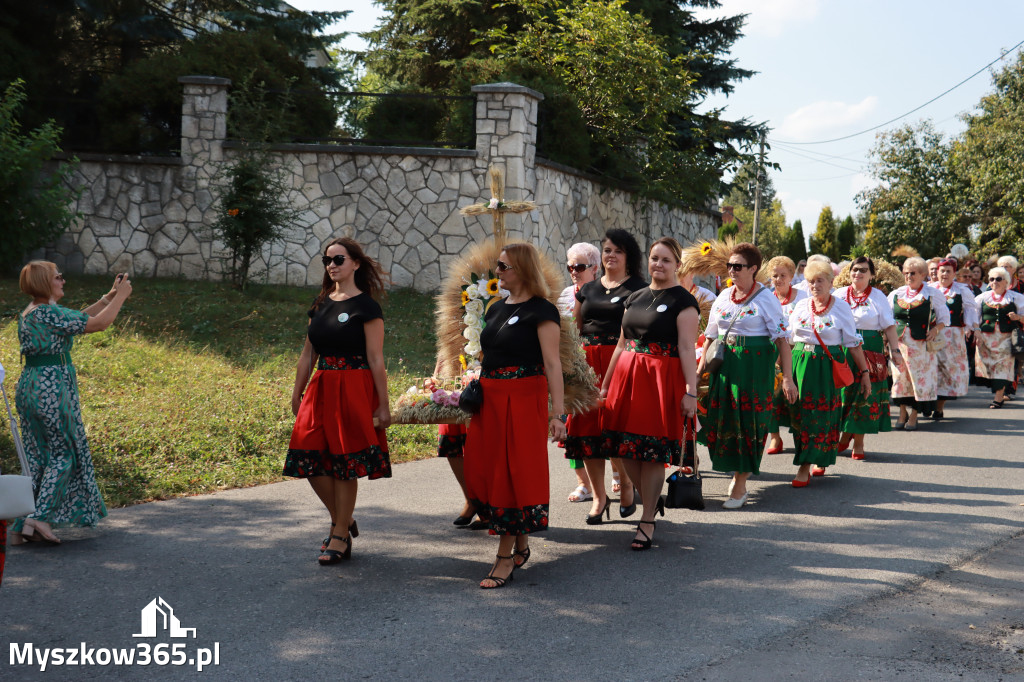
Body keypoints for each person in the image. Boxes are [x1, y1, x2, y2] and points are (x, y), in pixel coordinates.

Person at [463, 242, 564, 589]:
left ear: (521, 270)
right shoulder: (494, 307)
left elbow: (553, 365)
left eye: (503, 267)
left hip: (523, 398)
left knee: (511, 473)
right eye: (497, 266)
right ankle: (520, 541)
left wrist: (559, 413)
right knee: (481, 467)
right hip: (490, 398)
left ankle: (504, 556)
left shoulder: (543, 311)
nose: (497, 273)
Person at [284, 237, 391, 565]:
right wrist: (296, 391)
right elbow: (308, 354)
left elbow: (376, 359)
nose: (331, 265)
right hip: (321, 386)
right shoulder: (320, 304)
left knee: (345, 466)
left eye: (338, 259)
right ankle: (342, 518)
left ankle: (340, 533)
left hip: (354, 387)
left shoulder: (367, 307)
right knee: (307, 458)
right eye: (327, 260)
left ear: (356, 263)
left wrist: (383, 404)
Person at [10, 262, 132, 545]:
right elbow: (98, 324)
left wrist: (109, 296)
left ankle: (21, 526)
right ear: (44, 283)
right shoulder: (49, 312)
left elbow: (76, 318)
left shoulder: (34, 311)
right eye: (57, 277)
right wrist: (123, 297)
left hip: (31, 384)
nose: (63, 280)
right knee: (65, 453)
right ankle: (38, 518)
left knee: (40, 457)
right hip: (52, 387)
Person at [601, 238, 698, 549]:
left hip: (660, 380)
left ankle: (647, 519)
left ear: (677, 265)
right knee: (624, 446)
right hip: (627, 376)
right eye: (655, 258)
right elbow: (620, 344)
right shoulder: (636, 296)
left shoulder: (684, 301)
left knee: (652, 450)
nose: (658, 264)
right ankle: (650, 500)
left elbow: (686, 348)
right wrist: (605, 384)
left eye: (666, 260)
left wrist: (691, 392)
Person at [698, 243, 798, 509]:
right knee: (723, 421)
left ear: (753, 269)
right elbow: (710, 336)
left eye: (738, 266)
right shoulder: (723, 296)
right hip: (725, 368)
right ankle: (736, 470)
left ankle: (740, 484)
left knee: (748, 424)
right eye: (730, 266)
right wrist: (699, 373)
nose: (732, 270)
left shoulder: (766, 298)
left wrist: (787, 378)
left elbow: (782, 341)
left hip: (754, 372)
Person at [568, 231, 644, 523]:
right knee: (586, 431)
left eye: (618, 251)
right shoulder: (587, 289)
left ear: (629, 257)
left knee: (614, 428)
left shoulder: (638, 288)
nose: (611, 255)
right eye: (607, 250)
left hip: (621, 362)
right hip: (588, 364)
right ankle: (599, 497)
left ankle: (625, 482)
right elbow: (576, 329)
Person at [787, 260, 871, 484]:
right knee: (801, 416)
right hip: (800, 364)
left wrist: (864, 373)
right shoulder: (801, 306)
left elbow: (853, 344)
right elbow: (787, 339)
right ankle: (808, 459)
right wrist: (783, 371)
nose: (814, 285)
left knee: (822, 415)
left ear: (831, 282)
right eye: (810, 282)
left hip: (825, 367)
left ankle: (808, 463)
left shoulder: (841, 307)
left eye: (819, 281)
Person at [834, 257, 905, 460]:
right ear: (849, 273)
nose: (858, 273)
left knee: (865, 394)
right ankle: (845, 433)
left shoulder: (878, 296)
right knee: (845, 393)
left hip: (870, 348)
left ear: (871, 275)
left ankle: (858, 441)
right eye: (855, 270)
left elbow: (889, 326)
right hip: (844, 348)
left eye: (863, 270)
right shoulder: (838, 295)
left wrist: (895, 351)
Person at [559, 242, 600, 504]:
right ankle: (584, 484)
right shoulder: (564, 294)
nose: (574, 271)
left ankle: (619, 477)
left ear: (595, 268)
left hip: (596, 365)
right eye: (570, 266)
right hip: (569, 367)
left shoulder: (601, 293)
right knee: (571, 427)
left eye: (580, 266)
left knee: (603, 426)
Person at [888, 257, 950, 430]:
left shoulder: (932, 294)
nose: (908, 276)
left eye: (913, 273)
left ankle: (914, 414)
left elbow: (945, 318)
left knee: (918, 379)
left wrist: (935, 330)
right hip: (900, 343)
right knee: (899, 378)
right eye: (906, 273)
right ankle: (902, 412)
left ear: (923, 274)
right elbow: (888, 319)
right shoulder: (896, 293)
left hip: (921, 345)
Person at [764, 255, 807, 454]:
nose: (779, 279)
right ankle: (775, 438)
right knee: (771, 397)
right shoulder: (765, 298)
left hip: (794, 351)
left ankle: (800, 438)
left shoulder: (802, 298)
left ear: (791, 276)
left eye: (783, 275)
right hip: (770, 353)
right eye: (775, 276)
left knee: (794, 397)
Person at [931, 258, 979, 419]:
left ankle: (939, 406)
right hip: (931, 334)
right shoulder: (929, 289)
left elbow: (970, 310)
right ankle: (926, 401)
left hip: (952, 336)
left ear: (954, 274)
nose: (944, 274)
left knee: (947, 369)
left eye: (948, 271)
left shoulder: (961, 290)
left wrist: (971, 327)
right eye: (942, 271)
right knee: (931, 367)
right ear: (936, 273)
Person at [974, 267, 1024, 408]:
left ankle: (998, 397)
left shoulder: (1016, 298)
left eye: (998, 279)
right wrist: (975, 331)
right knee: (989, 367)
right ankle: (999, 392)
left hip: (1006, 338)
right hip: (986, 338)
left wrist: (1018, 317)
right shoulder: (982, 298)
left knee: (1003, 366)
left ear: (1006, 281)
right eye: (991, 279)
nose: (994, 282)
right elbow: (974, 317)